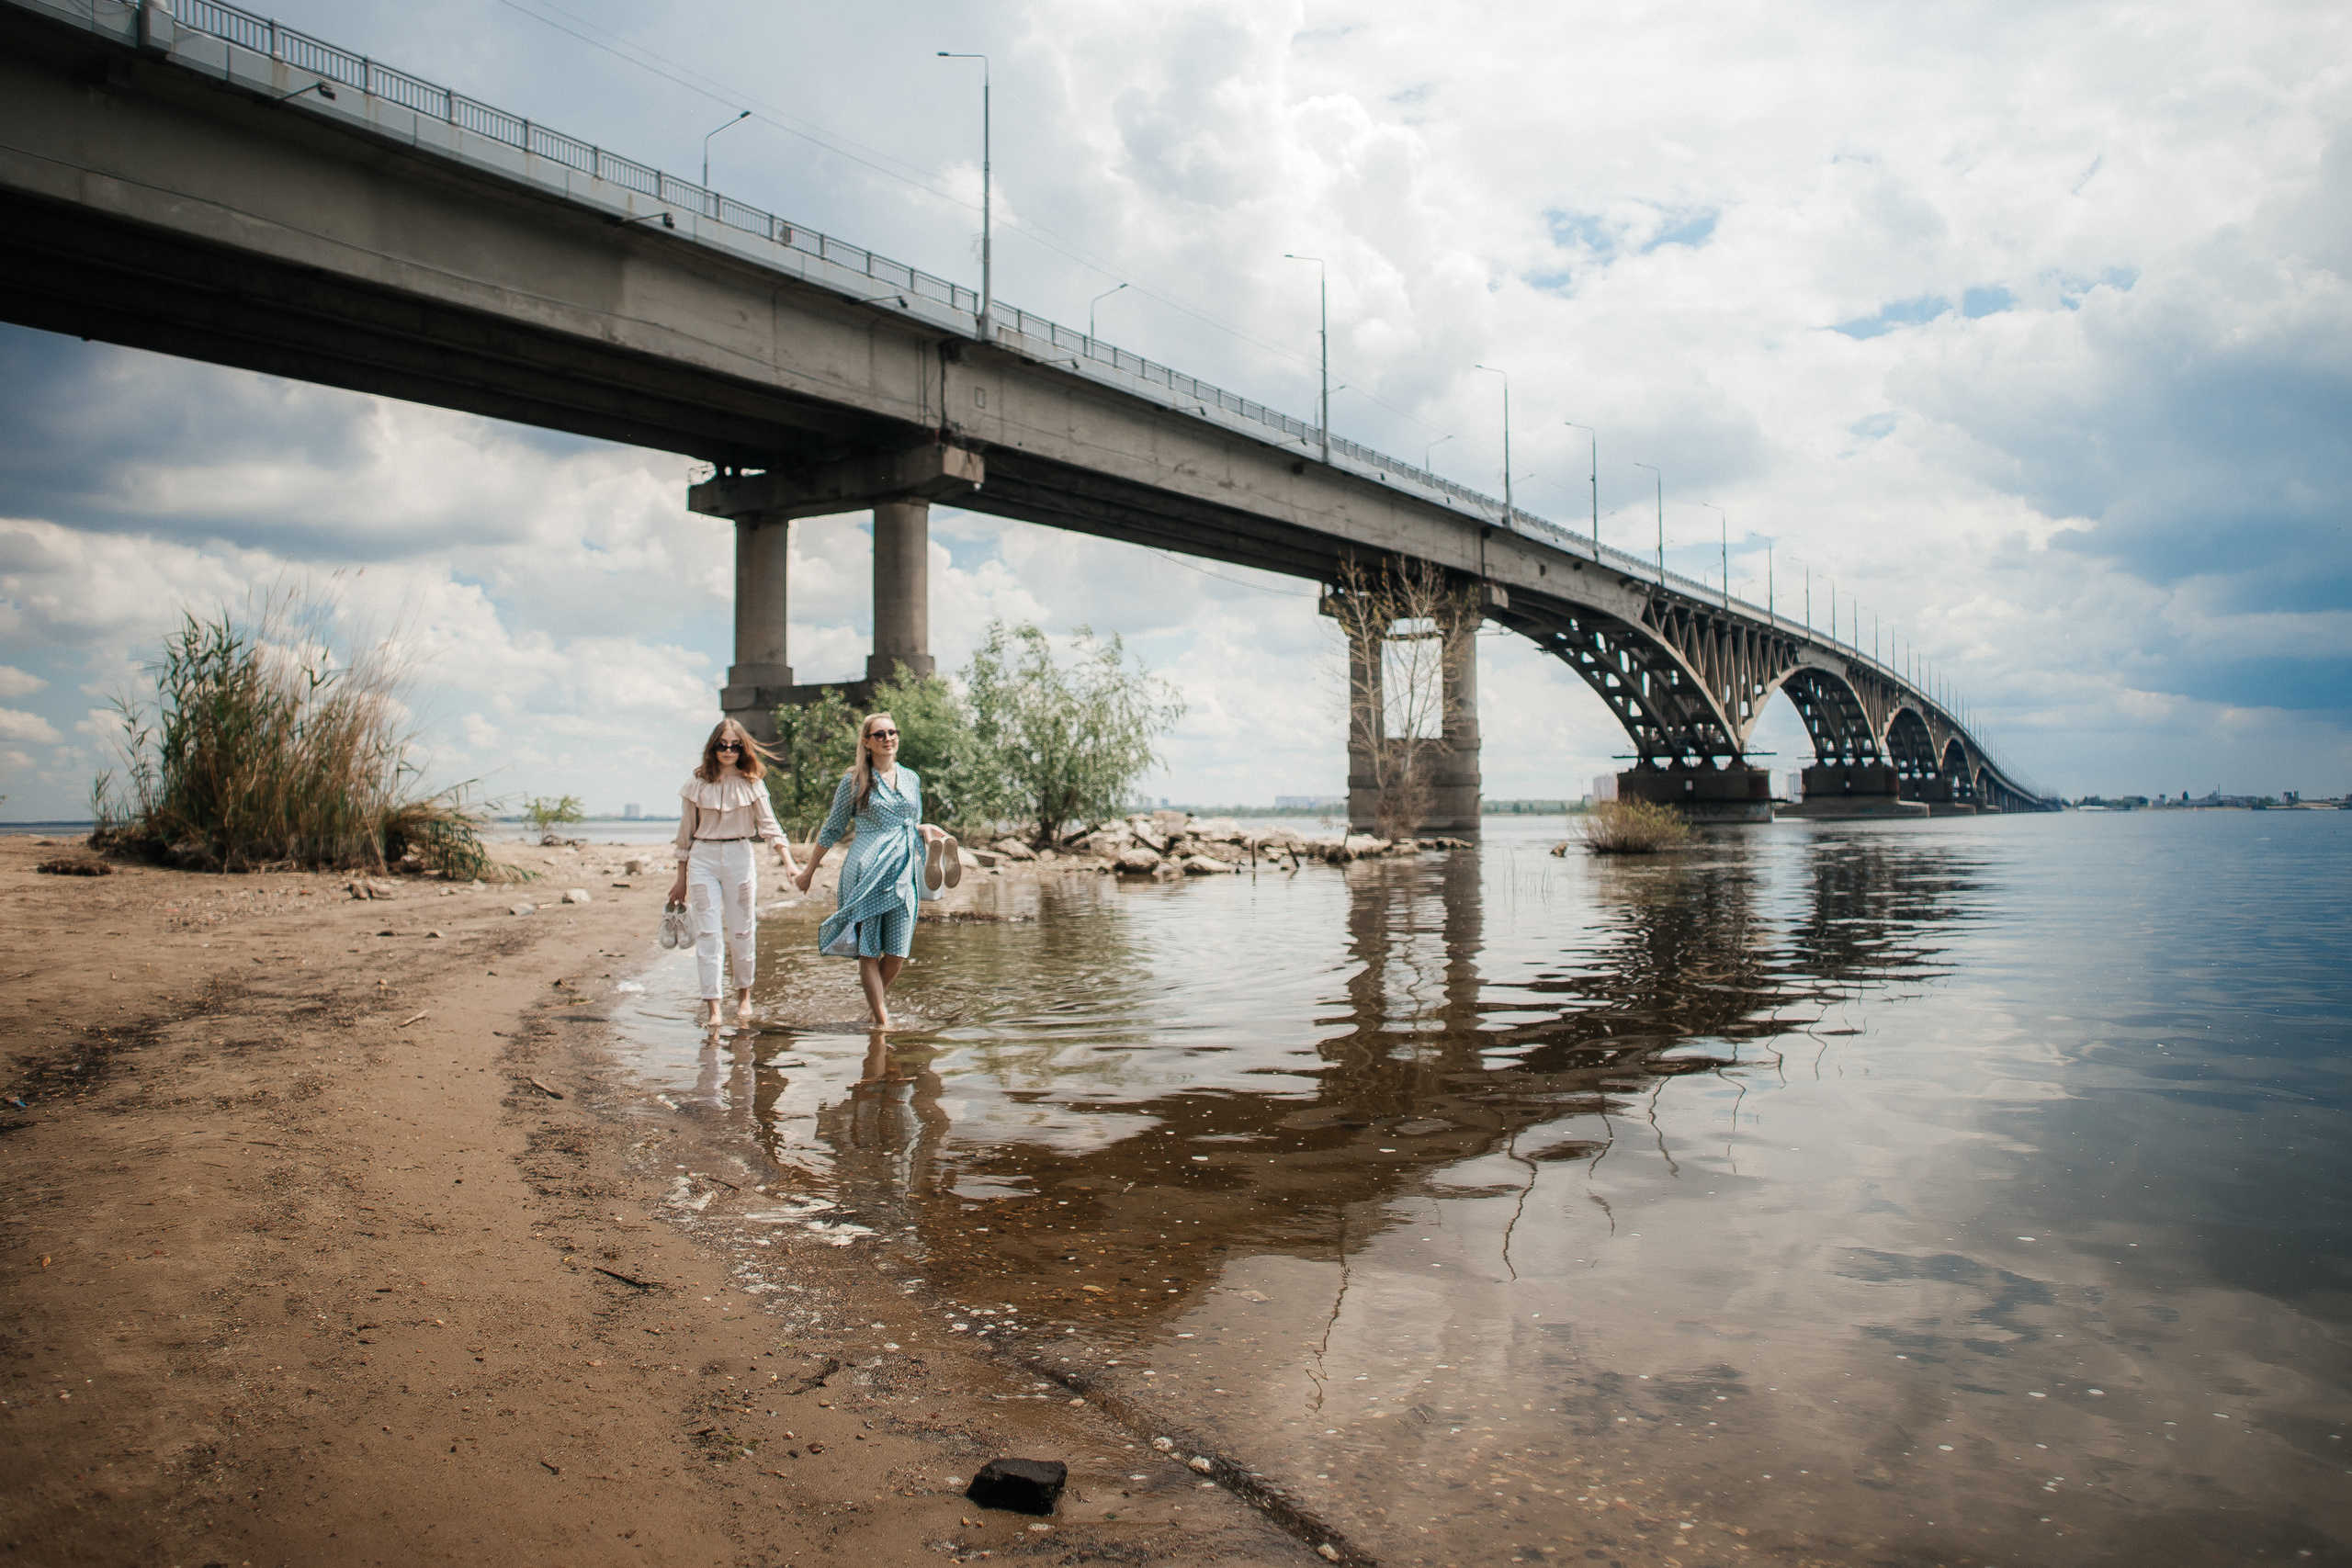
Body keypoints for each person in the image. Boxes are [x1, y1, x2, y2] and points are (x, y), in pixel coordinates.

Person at [791, 711, 961, 1030]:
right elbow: (832, 828)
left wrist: (924, 829)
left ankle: (873, 1011)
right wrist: (808, 872)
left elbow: (909, 818)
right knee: (869, 951)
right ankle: (883, 1023)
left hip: (904, 870)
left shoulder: (911, 778)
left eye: (892, 732)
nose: (888, 739)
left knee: (897, 953)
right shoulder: (854, 780)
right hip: (866, 869)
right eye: (879, 734)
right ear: (867, 742)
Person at [667, 718, 797, 1028]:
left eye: (734, 745)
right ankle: (713, 1007)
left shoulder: (752, 782)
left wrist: (789, 862)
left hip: (740, 855)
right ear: (713, 747)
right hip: (703, 857)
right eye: (722, 745)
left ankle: (744, 997)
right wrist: (679, 880)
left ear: (743, 748)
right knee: (708, 933)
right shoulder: (696, 783)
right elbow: (685, 836)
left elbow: (770, 827)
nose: (728, 750)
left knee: (742, 930)